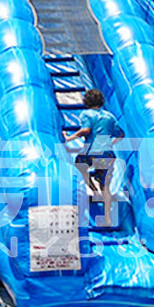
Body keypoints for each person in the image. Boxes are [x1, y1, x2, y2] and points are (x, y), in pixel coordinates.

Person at [62, 88, 123, 226]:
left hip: (91, 152)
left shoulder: (86, 114)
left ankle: (94, 190)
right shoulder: (110, 116)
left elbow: (86, 130)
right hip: (107, 153)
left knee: (80, 167)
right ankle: (108, 219)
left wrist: (68, 138)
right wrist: (110, 143)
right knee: (106, 185)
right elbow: (120, 134)